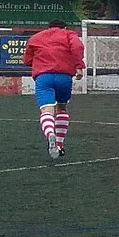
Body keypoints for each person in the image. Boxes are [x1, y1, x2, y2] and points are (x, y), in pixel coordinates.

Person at [22, 17, 84, 161]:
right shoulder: (69, 35)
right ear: (65, 27)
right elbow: (77, 47)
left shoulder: (36, 37)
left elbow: (27, 60)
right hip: (64, 76)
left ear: (49, 28)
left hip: (43, 77)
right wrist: (79, 66)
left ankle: (50, 133)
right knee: (62, 108)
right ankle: (60, 144)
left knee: (46, 109)